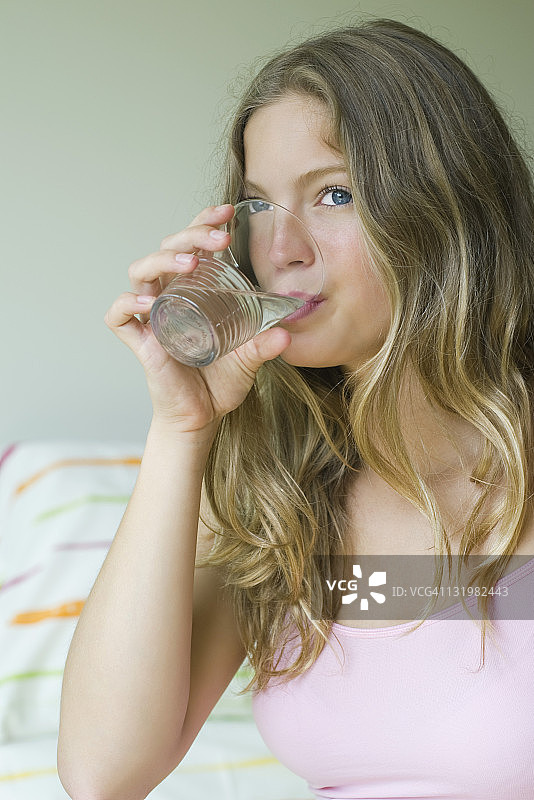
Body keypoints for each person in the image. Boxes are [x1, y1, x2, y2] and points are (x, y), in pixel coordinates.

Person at [57, 18, 534, 800]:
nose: (282, 248)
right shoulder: (272, 485)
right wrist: (182, 431)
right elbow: (103, 773)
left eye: (334, 194)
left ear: (450, 208)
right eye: (257, 206)